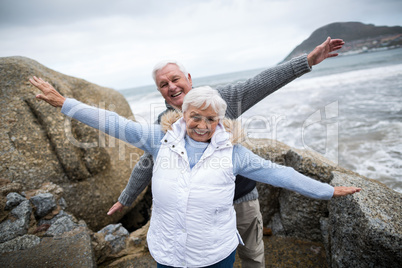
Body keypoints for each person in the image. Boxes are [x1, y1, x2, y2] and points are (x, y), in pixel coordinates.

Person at [28, 80, 361, 268]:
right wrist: (64, 103)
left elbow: (281, 174)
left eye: (210, 119)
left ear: (220, 120)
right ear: (183, 114)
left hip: (215, 252)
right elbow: (112, 122)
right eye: (195, 117)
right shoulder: (158, 139)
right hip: (168, 250)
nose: (202, 126)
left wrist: (327, 191)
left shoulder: (234, 153)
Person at [108, 37, 345, 267]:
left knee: (252, 253)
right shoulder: (163, 122)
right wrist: (126, 198)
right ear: (160, 91)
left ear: (188, 78)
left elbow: (261, 83)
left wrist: (307, 61)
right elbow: (148, 161)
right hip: (197, 208)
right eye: (163, 84)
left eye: (175, 79)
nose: (171, 86)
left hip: (240, 199)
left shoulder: (221, 100)